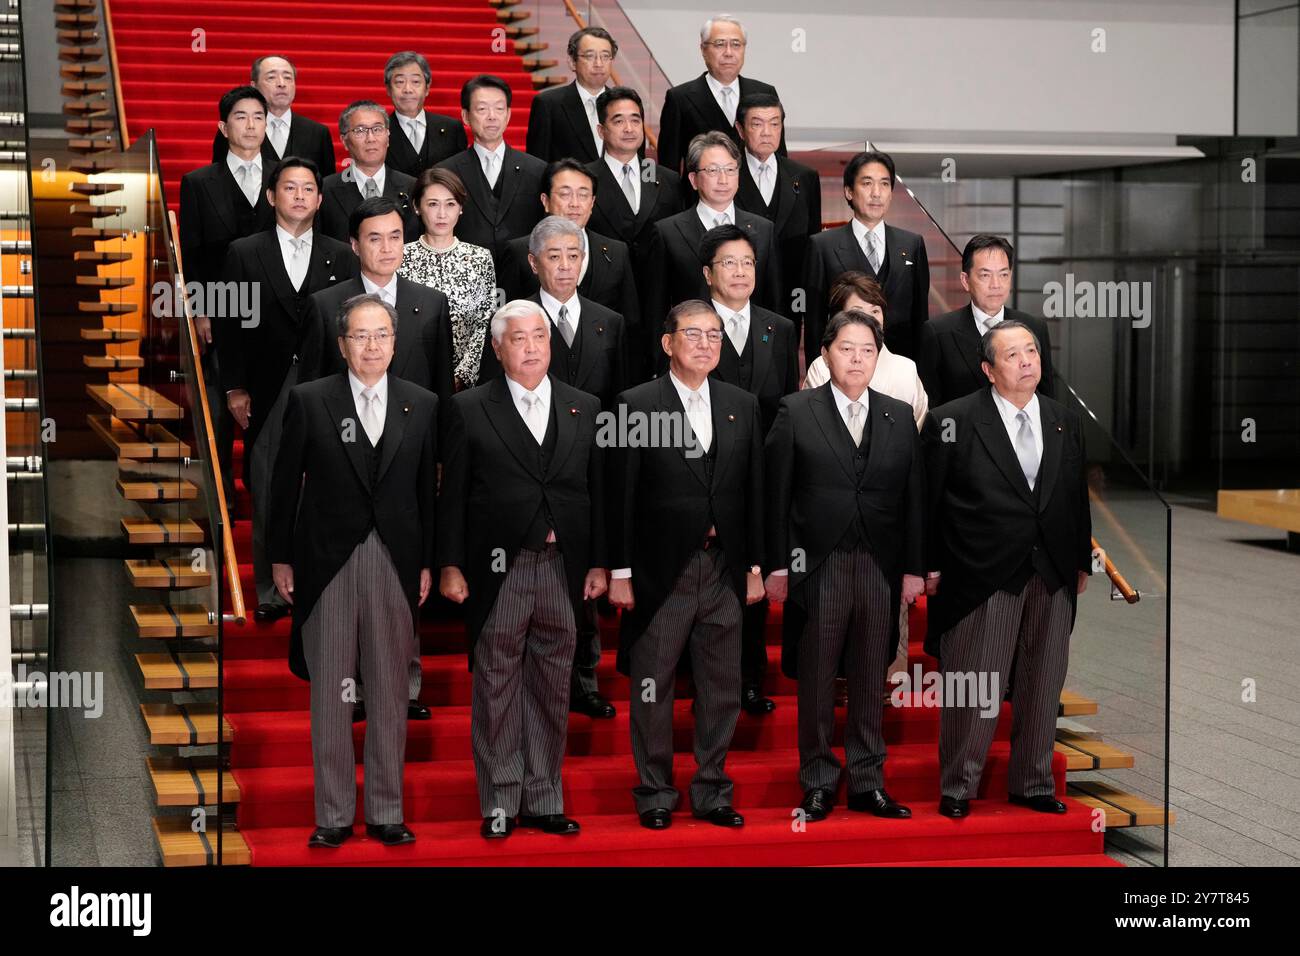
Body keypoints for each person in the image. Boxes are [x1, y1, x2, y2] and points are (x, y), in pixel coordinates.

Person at [269, 292, 439, 849]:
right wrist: (279, 558)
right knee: (333, 694)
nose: (372, 345)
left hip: (395, 560)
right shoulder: (310, 400)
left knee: (392, 689)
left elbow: (425, 496)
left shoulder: (422, 403)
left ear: (396, 341)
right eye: (360, 336)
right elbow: (282, 482)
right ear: (342, 345)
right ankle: (334, 814)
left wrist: (426, 564)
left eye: (382, 335)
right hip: (327, 561)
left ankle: (387, 811)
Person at [437, 300, 607, 840]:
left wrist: (600, 562)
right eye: (518, 338)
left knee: (554, 685)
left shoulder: (585, 405)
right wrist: (449, 565)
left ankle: (545, 795)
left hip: (563, 569)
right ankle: (500, 801)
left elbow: (596, 494)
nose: (531, 347)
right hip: (498, 571)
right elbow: (453, 496)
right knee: (496, 685)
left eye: (539, 336)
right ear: (497, 347)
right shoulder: (468, 408)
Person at [922, 319, 1092, 819]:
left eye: (1032, 352)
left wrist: (1079, 559)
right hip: (981, 572)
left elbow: (1074, 497)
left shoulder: (1064, 418)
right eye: (1013, 355)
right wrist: (928, 566)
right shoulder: (951, 420)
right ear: (988, 369)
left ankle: (1033, 782)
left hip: (1053, 571)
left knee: (1043, 681)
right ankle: (959, 784)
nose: (1026, 362)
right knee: (976, 682)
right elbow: (930, 504)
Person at [294, 197, 454, 722]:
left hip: (406, 459)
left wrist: (437, 459)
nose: (386, 248)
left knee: (402, 569)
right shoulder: (326, 304)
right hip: (343, 467)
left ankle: (402, 689)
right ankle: (352, 690)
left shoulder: (430, 303)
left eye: (395, 237)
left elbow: (440, 387)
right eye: (375, 238)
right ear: (355, 244)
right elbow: (314, 388)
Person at [609, 300, 764, 830]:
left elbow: (754, 493)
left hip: (723, 567)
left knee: (722, 684)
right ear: (667, 343)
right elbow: (622, 496)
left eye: (714, 335)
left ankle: (713, 789)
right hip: (660, 572)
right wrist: (621, 572)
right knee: (653, 684)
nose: (705, 344)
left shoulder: (742, 403)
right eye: (693, 334)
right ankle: (653, 790)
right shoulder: (637, 403)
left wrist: (756, 567)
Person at [765, 310, 925, 823]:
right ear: (826, 354)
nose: (857, 358)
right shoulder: (796, 410)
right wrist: (777, 566)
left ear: (878, 358)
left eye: (867, 350)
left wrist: (915, 568)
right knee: (815, 677)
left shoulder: (899, 415)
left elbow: (915, 500)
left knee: (869, 673)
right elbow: (777, 498)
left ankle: (866, 781)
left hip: (880, 565)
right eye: (846, 348)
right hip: (819, 565)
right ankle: (816, 780)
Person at [478, 216, 626, 719]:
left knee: (579, 594)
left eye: (574, 255)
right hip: (522, 480)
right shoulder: (513, 324)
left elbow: (622, 401)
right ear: (533, 262)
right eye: (555, 256)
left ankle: (585, 681)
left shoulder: (610, 320)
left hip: (588, 465)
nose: (565, 265)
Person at [218, 156, 358, 623]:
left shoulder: (340, 253)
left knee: (325, 481)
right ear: (270, 196)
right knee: (268, 481)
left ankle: (317, 580)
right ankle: (269, 589)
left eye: (307, 189)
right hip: (266, 385)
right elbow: (230, 324)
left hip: (326, 381)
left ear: (320, 199)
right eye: (289, 188)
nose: (299, 196)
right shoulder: (243, 250)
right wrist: (236, 387)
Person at [700, 224, 797, 715]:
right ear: (707, 273)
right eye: (728, 264)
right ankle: (705, 681)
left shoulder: (779, 328)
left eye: (747, 264)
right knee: (708, 578)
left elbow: (785, 405)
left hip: (760, 474)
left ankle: (750, 679)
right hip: (704, 474)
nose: (739, 273)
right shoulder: (691, 326)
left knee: (754, 571)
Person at [180, 85, 276, 503]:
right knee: (220, 408)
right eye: (241, 117)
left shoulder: (286, 177)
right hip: (224, 308)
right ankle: (221, 497)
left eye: (258, 116)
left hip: (277, 310)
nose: (251, 125)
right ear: (223, 126)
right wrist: (202, 312)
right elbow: (193, 252)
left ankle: (264, 490)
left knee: (271, 407)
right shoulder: (199, 182)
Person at [644, 131, 780, 369]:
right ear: (694, 179)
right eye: (713, 171)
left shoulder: (762, 229)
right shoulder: (668, 232)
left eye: (730, 170)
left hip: (751, 355)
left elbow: (772, 302)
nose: (723, 179)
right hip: (691, 356)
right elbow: (655, 308)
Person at [586, 86, 684, 377]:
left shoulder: (667, 180)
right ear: (601, 130)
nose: (629, 128)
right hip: (604, 304)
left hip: (656, 307)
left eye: (635, 120)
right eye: (618, 121)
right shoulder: (585, 178)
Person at [803, 150, 930, 364]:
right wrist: (818, 370)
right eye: (867, 183)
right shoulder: (822, 245)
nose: (876, 193)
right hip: (845, 364)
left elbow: (920, 318)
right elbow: (815, 323)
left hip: (899, 365)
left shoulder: (912, 244)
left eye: (884, 184)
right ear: (849, 191)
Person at [495, 158, 639, 339]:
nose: (575, 204)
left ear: (593, 202)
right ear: (545, 201)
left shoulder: (616, 252)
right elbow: (504, 319)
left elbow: (631, 322)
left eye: (583, 195)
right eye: (565, 194)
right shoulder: (519, 251)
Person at [918, 234, 1055, 407]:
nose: (996, 284)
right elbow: (931, 406)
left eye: (1003, 275)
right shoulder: (937, 332)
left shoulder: (1034, 327)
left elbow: (1047, 399)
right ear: (965, 281)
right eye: (985, 275)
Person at [398, 167, 496, 390]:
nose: (442, 214)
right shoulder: (400, 257)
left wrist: (462, 376)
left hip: (466, 386)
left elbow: (484, 322)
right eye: (433, 204)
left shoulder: (479, 258)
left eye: (450, 204)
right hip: (410, 380)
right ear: (417, 207)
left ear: (460, 208)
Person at [732, 92, 820, 331]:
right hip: (740, 292)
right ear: (740, 130)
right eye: (757, 124)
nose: (767, 132)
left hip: (791, 295)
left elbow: (813, 243)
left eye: (774, 123)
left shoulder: (804, 177)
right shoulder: (727, 175)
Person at [657, 14, 786, 176]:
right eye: (719, 44)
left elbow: (780, 159)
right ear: (703, 49)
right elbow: (668, 168)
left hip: (757, 199)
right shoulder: (679, 98)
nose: (729, 53)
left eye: (736, 44)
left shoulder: (765, 92)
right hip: (700, 199)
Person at [437, 75, 546, 262]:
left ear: (508, 114)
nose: (492, 116)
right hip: (466, 272)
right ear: (465, 116)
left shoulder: (537, 169)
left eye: (499, 108)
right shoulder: (446, 172)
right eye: (482, 109)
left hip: (522, 273)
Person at [803, 272, 928, 426]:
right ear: (838, 317)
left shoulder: (906, 368)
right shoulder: (821, 366)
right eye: (858, 312)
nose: (870, 320)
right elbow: (811, 426)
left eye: (875, 311)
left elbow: (915, 430)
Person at [210, 55, 335, 175]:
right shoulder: (234, 128)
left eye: (287, 77)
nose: (281, 83)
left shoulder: (318, 132)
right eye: (271, 77)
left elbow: (325, 186)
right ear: (254, 86)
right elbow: (219, 178)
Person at [318, 100, 420, 244]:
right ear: (344, 141)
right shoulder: (325, 190)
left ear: (388, 136)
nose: (370, 138)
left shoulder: (413, 188)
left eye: (377, 129)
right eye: (360, 131)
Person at [526, 27, 616, 163]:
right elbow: (536, 165)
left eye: (605, 56)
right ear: (572, 62)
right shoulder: (548, 104)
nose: (599, 64)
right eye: (590, 56)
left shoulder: (624, 103)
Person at [383, 51, 468, 178]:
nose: (408, 89)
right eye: (400, 82)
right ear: (388, 89)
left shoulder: (452, 128)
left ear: (427, 88)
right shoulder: (379, 132)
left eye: (416, 82)